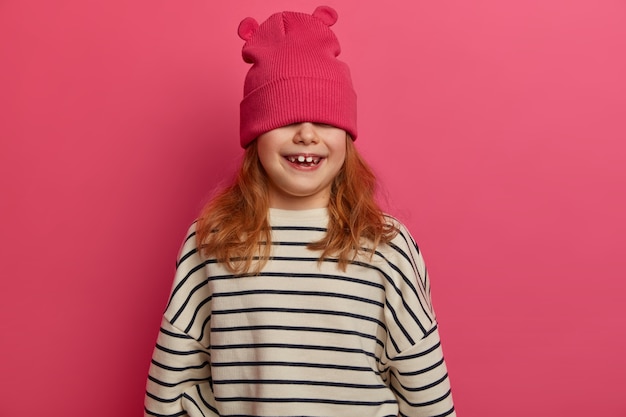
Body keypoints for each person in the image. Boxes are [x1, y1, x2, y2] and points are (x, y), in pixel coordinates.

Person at [144, 5, 455, 417]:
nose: (307, 134)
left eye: (325, 118)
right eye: (286, 116)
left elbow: (426, 389)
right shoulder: (212, 241)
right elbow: (170, 383)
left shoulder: (387, 246)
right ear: (255, 134)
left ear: (347, 135)